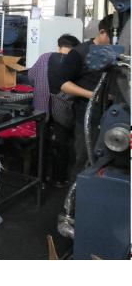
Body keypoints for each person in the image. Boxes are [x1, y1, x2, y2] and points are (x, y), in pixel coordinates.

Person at [58, 14, 114, 179]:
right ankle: (76, 192)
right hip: (88, 117)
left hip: (112, 116)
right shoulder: (80, 53)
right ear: (102, 32)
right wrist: (93, 96)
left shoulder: (115, 54)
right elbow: (63, 84)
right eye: (113, 38)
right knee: (84, 158)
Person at [27, 34, 80, 185]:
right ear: (75, 49)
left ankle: (39, 179)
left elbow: (31, 77)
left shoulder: (44, 57)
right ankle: (59, 179)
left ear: (58, 46)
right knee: (62, 144)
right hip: (63, 109)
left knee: (41, 144)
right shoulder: (75, 62)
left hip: (41, 108)